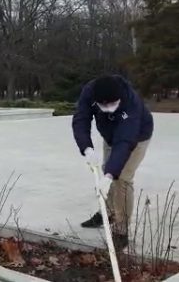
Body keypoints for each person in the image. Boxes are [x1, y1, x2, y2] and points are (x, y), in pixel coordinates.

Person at [72, 74, 153, 250]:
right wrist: (87, 148)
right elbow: (81, 119)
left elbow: (125, 141)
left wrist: (110, 175)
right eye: (104, 105)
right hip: (110, 136)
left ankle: (121, 231)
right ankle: (107, 214)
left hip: (136, 137)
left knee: (121, 178)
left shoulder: (130, 101)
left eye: (113, 104)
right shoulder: (89, 92)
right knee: (107, 168)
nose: (109, 108)